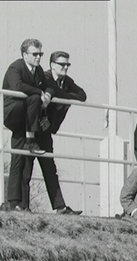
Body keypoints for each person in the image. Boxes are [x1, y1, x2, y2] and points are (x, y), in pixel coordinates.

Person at [18, 50, 87, 214]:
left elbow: (82, 95)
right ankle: (23, 206)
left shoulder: (67, 81)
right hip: (34, 128)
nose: (65, 68)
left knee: (50, 168)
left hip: (47, 130)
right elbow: (49, 93)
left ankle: (60, 207)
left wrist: (63, 95)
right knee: (26, 167)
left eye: (67, 64)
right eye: (62, 64)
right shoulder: (46, 77)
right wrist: (62, 95)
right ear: (52, 65)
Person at [0, 38, 55, 211]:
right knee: (34, 97)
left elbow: (50, 86)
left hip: (27, 120)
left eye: (41, 54)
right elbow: (17, 86)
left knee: (19, 158)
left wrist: (48, 95)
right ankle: (31, 139)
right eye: (35, 54)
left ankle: (17, 202)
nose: (39, 57)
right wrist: (40, 93)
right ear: (25, 55)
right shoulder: (16, 67)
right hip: (14, 114)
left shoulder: (38, 71)